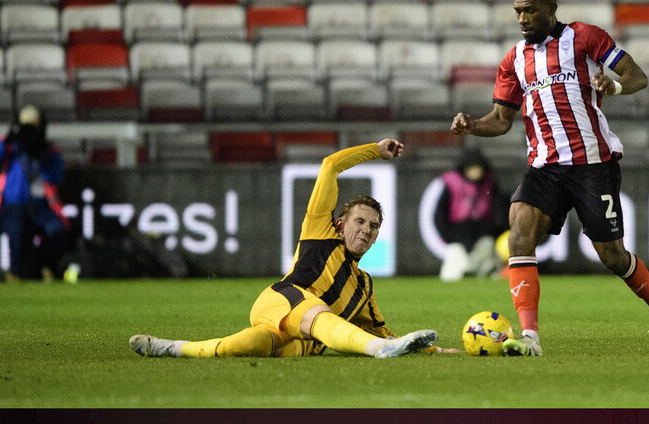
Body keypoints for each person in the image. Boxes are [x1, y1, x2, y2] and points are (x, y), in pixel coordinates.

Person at [450, 0, 649, 356]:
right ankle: (530, 337)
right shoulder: (514, 60)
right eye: (517, 12)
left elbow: (637, 76)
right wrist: (472, 125)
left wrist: (614, 87)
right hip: (545, 166)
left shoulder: (585, 37)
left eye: (530, 10)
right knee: (519, 232)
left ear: (551, 8)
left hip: (593, 164)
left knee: (612, 256)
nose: (522, 18)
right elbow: (501, 120)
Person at [129, 138, 458, 359]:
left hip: (297, 340)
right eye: (359, 221)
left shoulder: (363, 286)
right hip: (281, 299)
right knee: (319, 313)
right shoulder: (321, 232)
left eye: (373, 227)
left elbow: (384, 332)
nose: (366, 229)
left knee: (248, 344)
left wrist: (433, 351)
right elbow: (330, 165)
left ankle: (173, 348)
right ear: (340, 224)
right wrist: (375, 150)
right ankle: (374, 351)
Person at [0, 105, 70, 282]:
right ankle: (15, 275)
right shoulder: (7, 146)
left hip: (41, 207)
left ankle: (47, 268)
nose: (29, 132)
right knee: (18, 242)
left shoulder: (47, 149)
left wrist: (42, 154)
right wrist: (6, 141)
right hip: (12, 207)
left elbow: (56, 177)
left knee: (59, 232)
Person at [435, 147, 509, 281]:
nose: (474, 172)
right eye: (471, 168)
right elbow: (440, 214)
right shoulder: (452, 184)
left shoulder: (490, 184)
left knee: (486, 251)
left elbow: (500, 211)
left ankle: (473, 270)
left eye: (477, 168)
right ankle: (471, 270)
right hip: (457, 237)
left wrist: (492, 231)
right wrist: (448, 235)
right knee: (452, 272)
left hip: (483, 236)